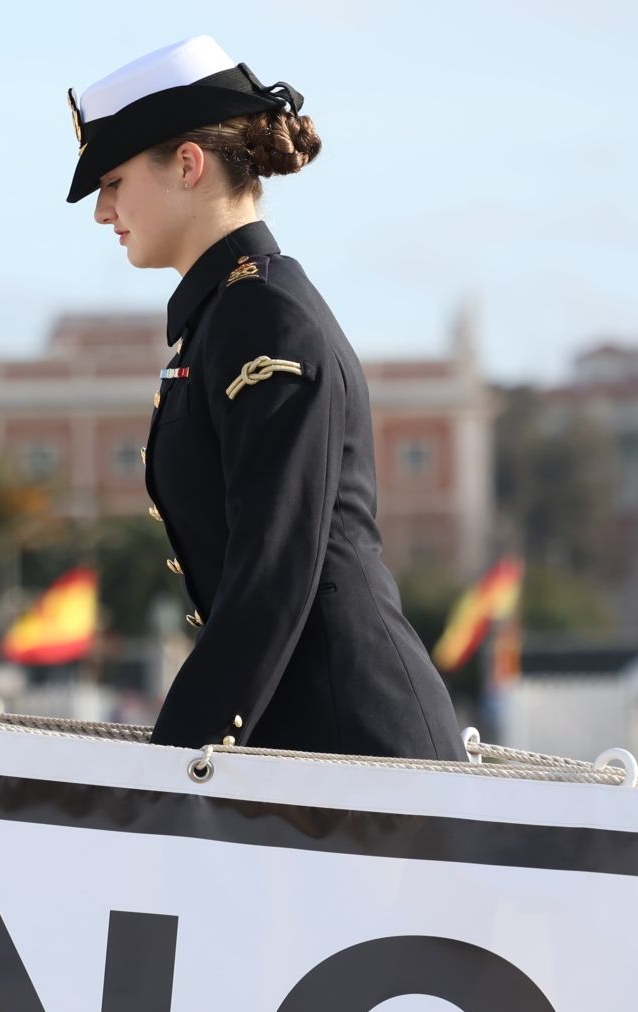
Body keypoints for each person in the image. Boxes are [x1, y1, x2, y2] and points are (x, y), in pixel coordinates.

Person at [68, 37, 465, 760]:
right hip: (305, 749)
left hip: (356, 750)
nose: (103, 211)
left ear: (188, 165)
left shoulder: (261, 318)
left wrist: (170, 764)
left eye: (114, 182)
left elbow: (271, 574)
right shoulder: (229, 314)